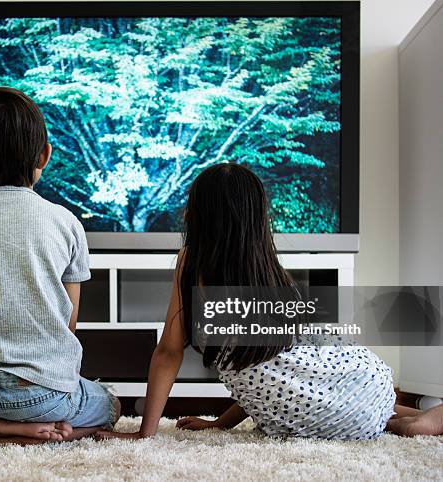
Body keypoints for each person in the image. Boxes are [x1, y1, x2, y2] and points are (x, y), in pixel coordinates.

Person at [96, 163, 442, 441]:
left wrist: (146, 432)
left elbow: (171, 353)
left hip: (318, 408)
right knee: (358, 405)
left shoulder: (192, 262)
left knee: (340, 410)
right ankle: (409, 420)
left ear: (200, 216)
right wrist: (221, 424)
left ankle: (404, 421)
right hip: (359, 382)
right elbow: (276, 373)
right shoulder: (273, 275)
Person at [0, 86, 120, 445]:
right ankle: (37, 434)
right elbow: (69, 322)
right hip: (40, 395)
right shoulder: (64, 222)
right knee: (110, 405)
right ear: (45, 156)